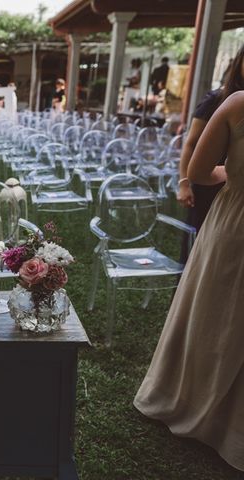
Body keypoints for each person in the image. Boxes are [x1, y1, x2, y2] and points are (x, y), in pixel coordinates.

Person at [134, 89, 244, 472]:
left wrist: (231, 172)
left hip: (236, 225)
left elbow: (198, 172)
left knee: (216, 315)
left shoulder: (236, 103)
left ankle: (198, 404)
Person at [177, 44, 244, 262]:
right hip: (211, 182)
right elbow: (191, 144)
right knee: (200, 246)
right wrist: (184, 183)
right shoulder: (218, 100)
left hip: (232, 181)